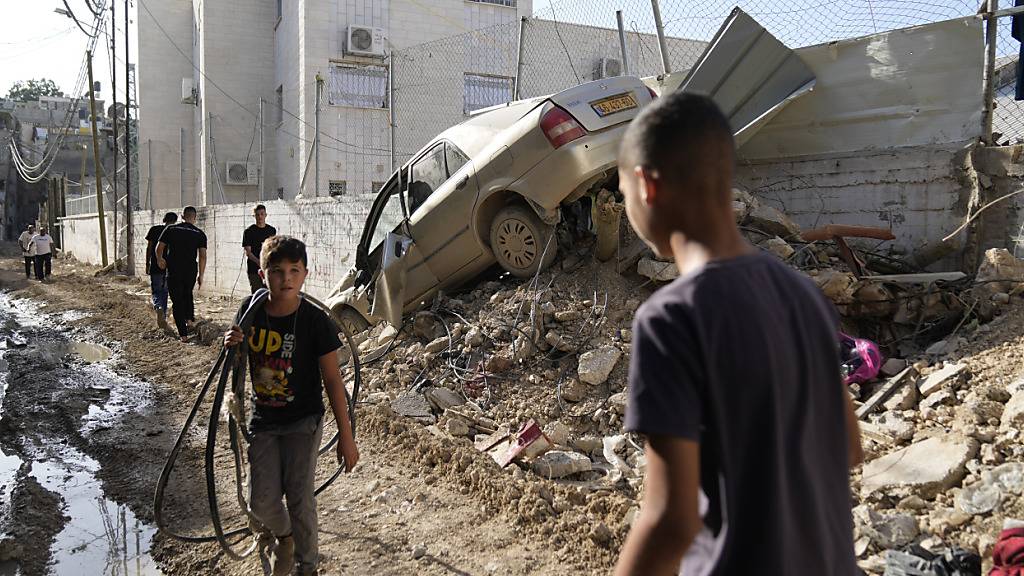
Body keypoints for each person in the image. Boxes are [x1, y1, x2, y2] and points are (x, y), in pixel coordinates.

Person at [613, 93, 862, 575]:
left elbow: (671, 520)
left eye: (623, 196)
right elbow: (848, 446)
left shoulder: (670, 319)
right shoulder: (803, 295)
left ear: (645, 186)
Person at [223, 235, 359, 576]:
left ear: (305, 274)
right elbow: (237, 366)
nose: (286, 278)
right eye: (277, 270)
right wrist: (233, 343)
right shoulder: (249, 311)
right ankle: (284, 536)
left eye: (294, 271)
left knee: (300, 498)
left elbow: (333, 382)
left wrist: (347, 437)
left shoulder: (316, 322)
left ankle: (307, 566)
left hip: (303, 421)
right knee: (261, 502)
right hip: (264, 420)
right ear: (262, 272)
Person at [156, 206, 207, 342]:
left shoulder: (171, 229)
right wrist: (201, 275)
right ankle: (189, 321)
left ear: (182, 217)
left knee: (177, 301)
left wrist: (160, 259)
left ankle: (183, 335)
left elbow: (159, 247)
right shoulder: (199, 233)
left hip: (174, 270)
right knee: (187, 294)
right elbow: (202, 256)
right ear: (194, 218)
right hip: (190, 270)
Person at [145, 212, 178, 331]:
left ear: (164, 219)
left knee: (156, 291)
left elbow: (149, 248)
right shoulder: (176, 231)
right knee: (165, 292)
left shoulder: (154, 229)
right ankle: (162, 315)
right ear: (176, 220)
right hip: (170, 267)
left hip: (156, 266)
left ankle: (158, 308)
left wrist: (147, 263)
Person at [242, 204, 277, 293]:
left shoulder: (271, 230)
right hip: (254, 269)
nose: (260, 217)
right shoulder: (249, 232)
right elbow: (248, 253)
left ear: (265, 215)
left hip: (268, 269)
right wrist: (260, 262)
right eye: (257, 214)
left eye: (262, 214)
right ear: (254, 216)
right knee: (257, 294)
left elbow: (273, 249)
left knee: (269, 293)